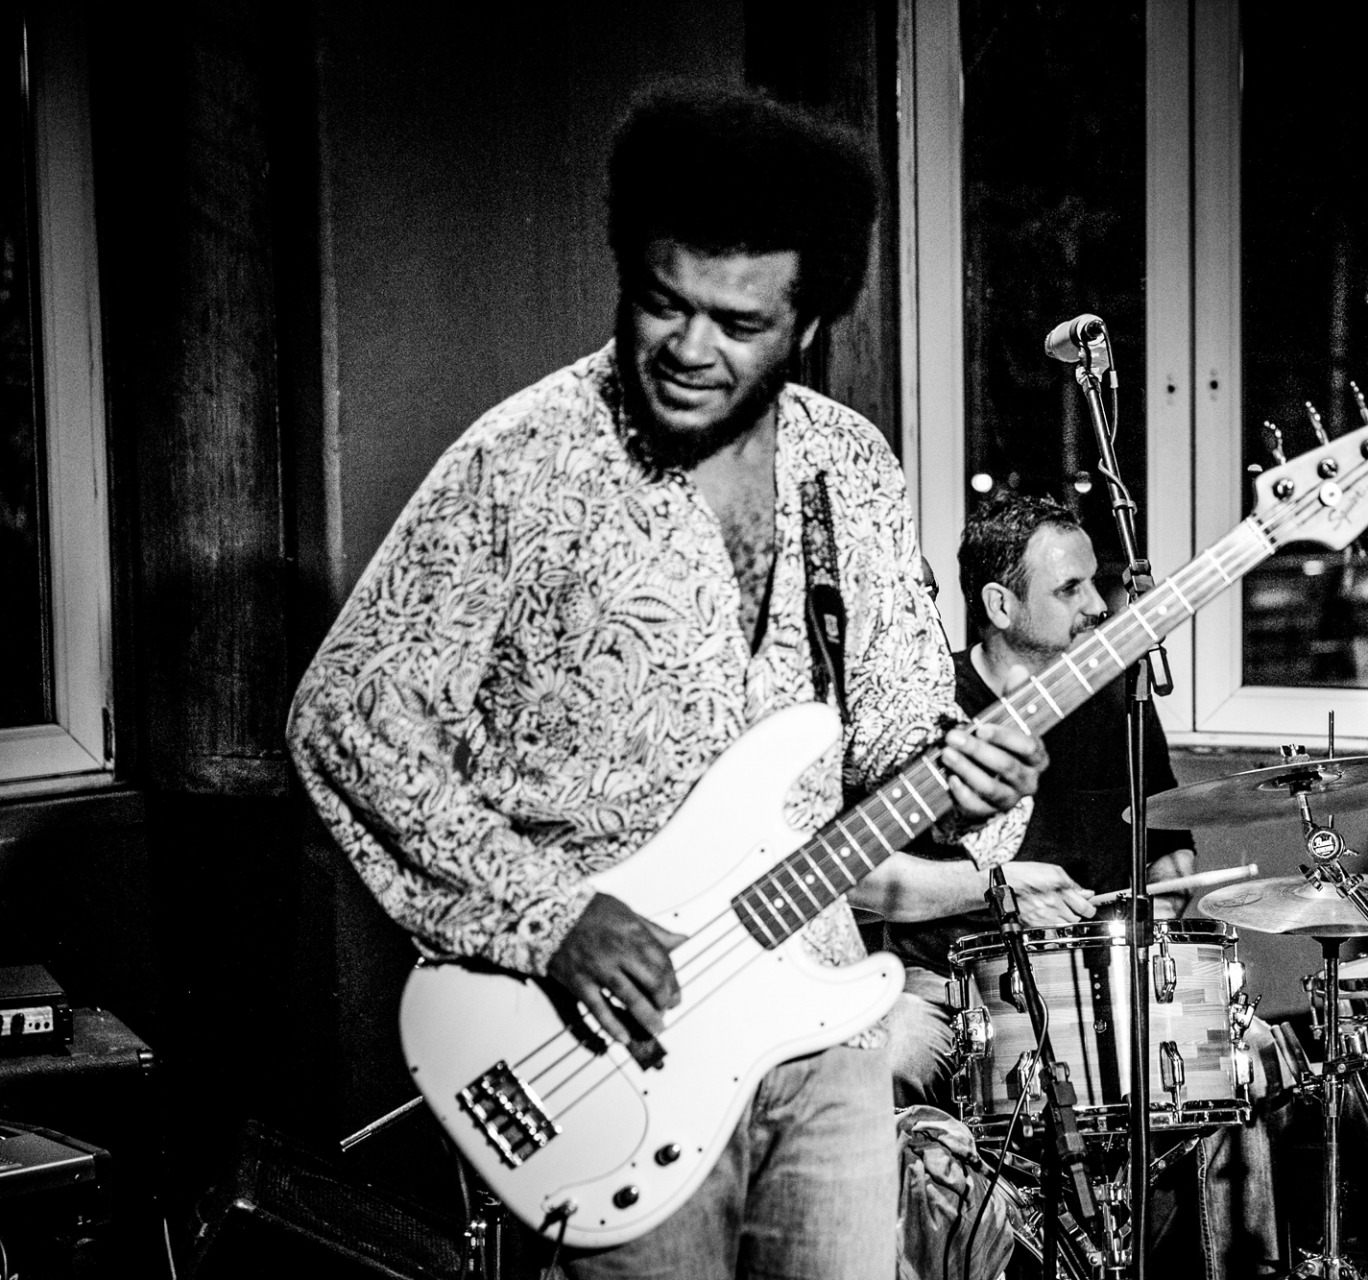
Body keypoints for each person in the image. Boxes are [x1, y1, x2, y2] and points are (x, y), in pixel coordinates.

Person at [286, 84, 1045, 1280]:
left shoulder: (848, 466)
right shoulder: (523, 463)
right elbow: (346, 719)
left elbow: (898, 729)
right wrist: (550, 915)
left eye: (738, 322)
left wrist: (973, 771)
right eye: (661, 302)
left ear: (806, 323)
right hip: (611, 1043)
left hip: (819, 1016)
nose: (690, 349)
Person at [853, 493, 1286, 1277]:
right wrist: (994, 888)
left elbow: (1166, 848)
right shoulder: (926, 710)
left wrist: (1166, 893)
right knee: (880, 1065)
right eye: (1070, 589)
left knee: (1240, 1055)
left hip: (1104, 983)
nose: (1099, 606)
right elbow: (866, 883)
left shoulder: (1120, 699)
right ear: (999, 605)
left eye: (1095, 583)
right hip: (951, 990)